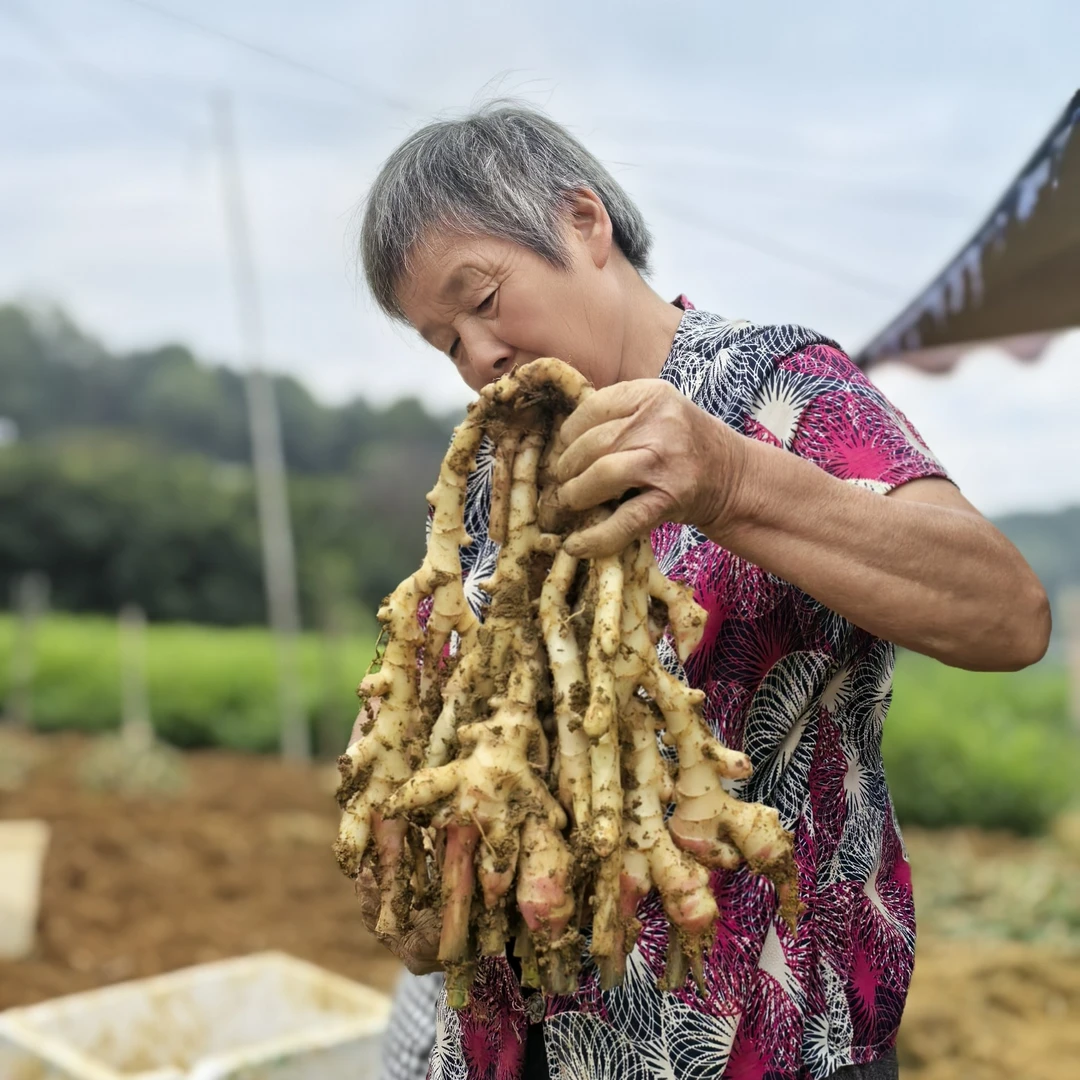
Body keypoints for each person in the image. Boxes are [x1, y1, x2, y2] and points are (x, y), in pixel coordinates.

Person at [351, 103, 1051, 1080]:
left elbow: (1007, 614)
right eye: (443, 341)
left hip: (755, 1044)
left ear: (584, 223)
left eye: (483, 299)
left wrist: (729, 480)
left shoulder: (776, 388)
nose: (478, 357)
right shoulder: (491, 480)